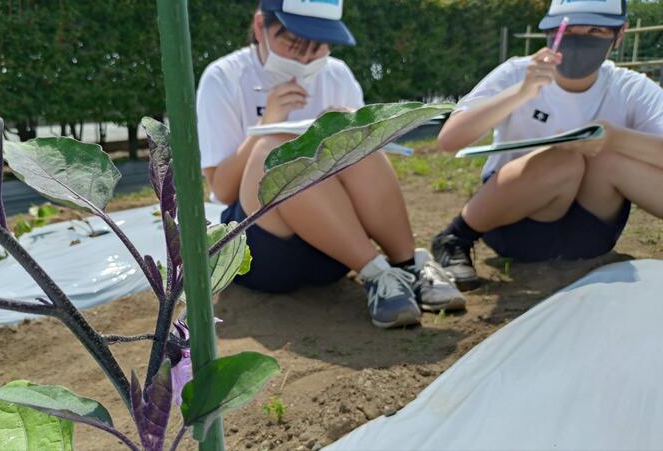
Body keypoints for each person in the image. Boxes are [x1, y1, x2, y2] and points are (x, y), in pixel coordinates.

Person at [196, 0, 465, 328]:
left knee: (355, 136)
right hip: (263, 251)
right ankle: (377, 275)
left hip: (335, 250)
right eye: (294, 43)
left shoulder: (337, 74)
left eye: (318, 46)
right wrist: (267, 123)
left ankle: (408, 265)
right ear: (259, 27)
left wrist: (342, 130)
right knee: (274, 150)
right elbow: (222, 190)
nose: (305, 58)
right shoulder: (224, 77)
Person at [431, 0, 663, 290]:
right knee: (566, 161)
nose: (579, 41)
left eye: (594, 30)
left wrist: (617, 138)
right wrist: (521, 93)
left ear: (620, 34)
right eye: (569, 30)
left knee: (608, 156)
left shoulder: (628, 87)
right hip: (517, 225)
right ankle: (455, 238)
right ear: (551, 32)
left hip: (589, 235)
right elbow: (450, 139)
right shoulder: (517, 73)